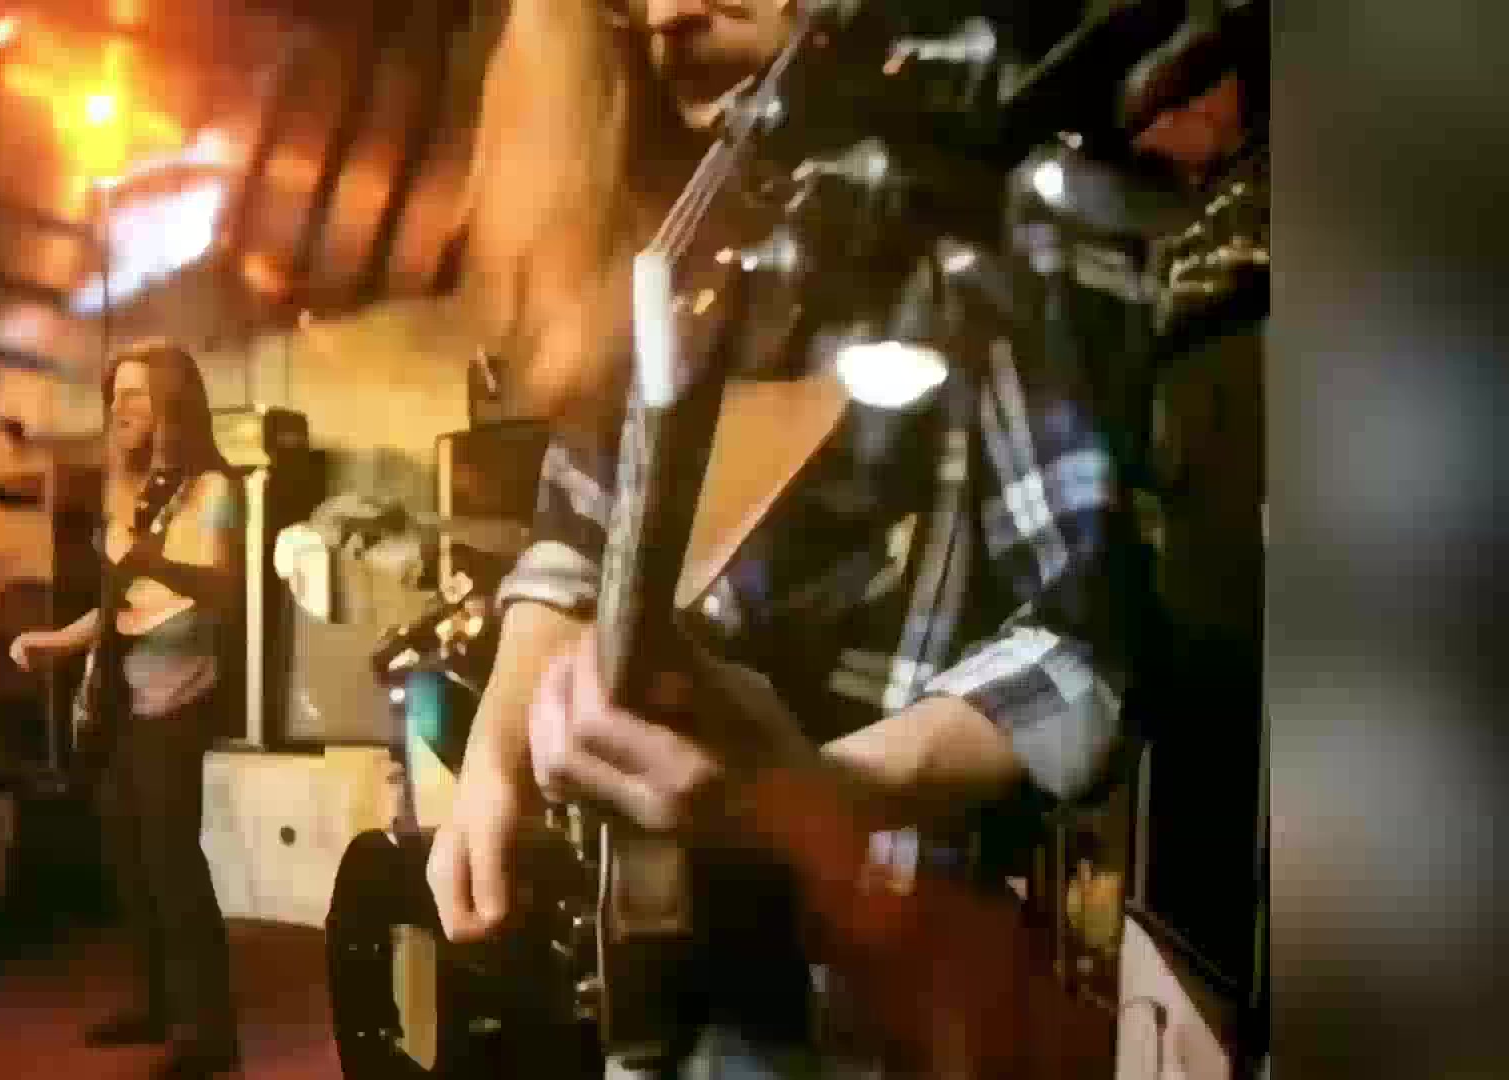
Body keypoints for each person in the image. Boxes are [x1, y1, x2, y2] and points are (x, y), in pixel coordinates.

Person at [429, 2, 1140, 1075]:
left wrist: (809, 786)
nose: (666, 13)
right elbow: (573, 540)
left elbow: (1087, 648)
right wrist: (492, 760)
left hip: (875, 1007)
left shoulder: (995, 200)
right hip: (668, 1006)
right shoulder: (676, 245)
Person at [11, 338, 243, 1078]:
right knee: (128, 859)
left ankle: (209, 1034)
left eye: (136, 395)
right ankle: (155, 1005)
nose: (121, 409)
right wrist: (54, 643)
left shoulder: (212, 490)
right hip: (124, 702)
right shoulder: (132, 492)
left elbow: (220, 588)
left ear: (174, 403)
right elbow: (119, 606)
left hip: (179, 700)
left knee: (173, 864)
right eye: (115, 396)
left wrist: (150, 559)